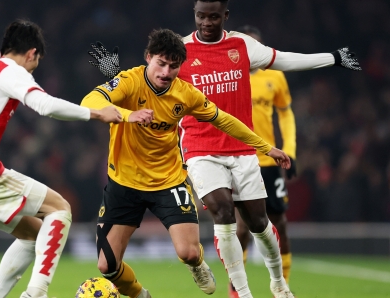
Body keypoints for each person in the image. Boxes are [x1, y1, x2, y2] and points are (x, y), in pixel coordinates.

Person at [88, 1, 360, 297]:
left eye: (213, 16)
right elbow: (129, 82)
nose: (206, 22)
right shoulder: (176, 50)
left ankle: (275, 282)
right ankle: (235, 294)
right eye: (201, 16)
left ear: (225, 16)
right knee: (112, 264)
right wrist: (116, 85)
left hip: (208, 163)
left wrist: (333, 58)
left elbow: (273, 70)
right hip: (188, 155)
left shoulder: (236, 51)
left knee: (256, 224)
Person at [83, 28, 291, 298]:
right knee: (107, 266)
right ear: (148, 57)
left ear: (180, 67)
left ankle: (197, 264)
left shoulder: (186, 94)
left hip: (168, 181)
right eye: (160, 63)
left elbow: (224, 119)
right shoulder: (128, 81)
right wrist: (127, 114)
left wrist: (265, 147)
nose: (165, 72)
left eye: (173, 66)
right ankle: (140, 295)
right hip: (124, 183)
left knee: (188, 253)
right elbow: (91, 101)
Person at [0, 20, 123, 298]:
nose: (33, 70)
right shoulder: (9, 71)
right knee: (60, 209)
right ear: (32, 53)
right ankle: (37, 293)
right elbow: (44, 105)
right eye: (36, 64)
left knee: (34, 235)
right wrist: (96, 113)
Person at [228, 25, 297, 298]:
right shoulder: (228, 77)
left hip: (269, 162)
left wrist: (289, 148)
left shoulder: (275, 77)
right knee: (242, 227)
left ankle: (283, 286)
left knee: (279, 222)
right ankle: (236, 291)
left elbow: (286, 113)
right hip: (239, 159)